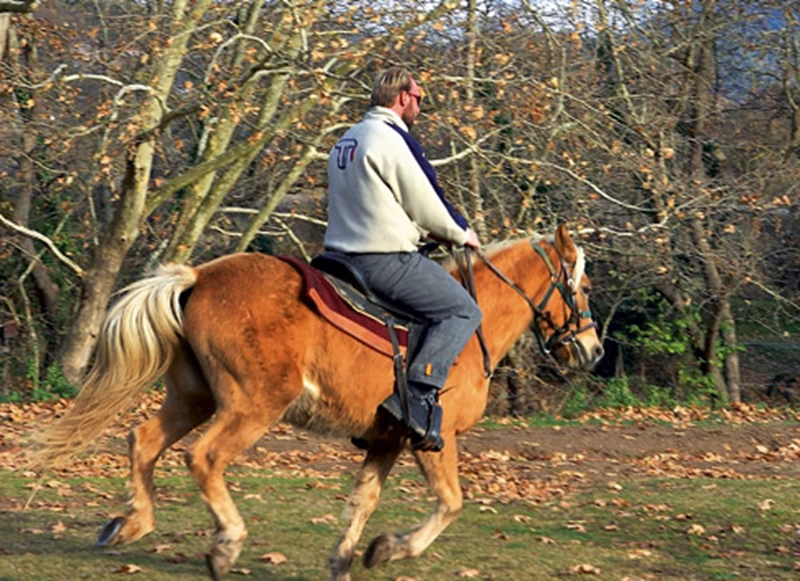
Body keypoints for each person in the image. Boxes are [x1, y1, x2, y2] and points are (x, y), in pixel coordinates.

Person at [324, 67, 482, 452]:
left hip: (337, 258)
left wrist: (420, 231)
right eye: (420, 99)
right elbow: (427, 198)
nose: (420, 107)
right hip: (382, 260)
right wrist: (460, 233)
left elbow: (377, 202)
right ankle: (417, 398)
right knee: (463, 310)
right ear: (402, 98)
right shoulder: (392, 139)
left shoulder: (345, 140)